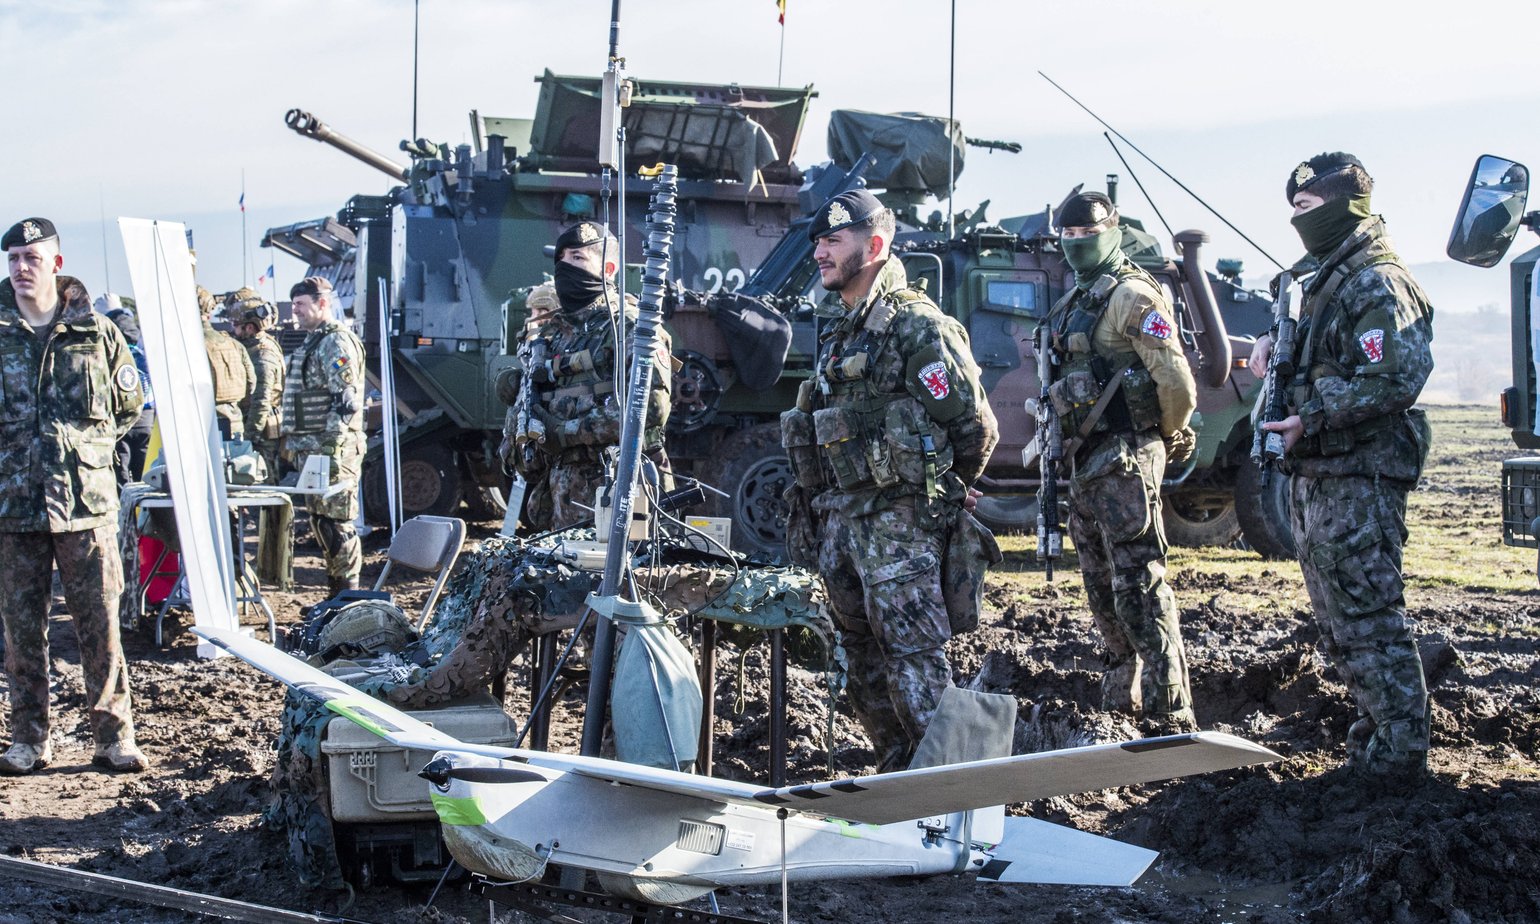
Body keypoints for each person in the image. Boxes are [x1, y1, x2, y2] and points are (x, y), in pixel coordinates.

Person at [780, 190, 999, 772]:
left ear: (874, 246)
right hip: (842, 528)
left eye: (834, 240)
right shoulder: (841, 331)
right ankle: (900, 773)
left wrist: (938, 500)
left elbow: (976, 427)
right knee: (859, 664)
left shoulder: (917, 328)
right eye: (819, 242)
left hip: (901, 533)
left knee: (916, 664)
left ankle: (952, 791)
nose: (820, 253)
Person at [1249, 152, 1434, 776]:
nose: (1298, 222)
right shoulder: (1323, 279)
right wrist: (1276, 348)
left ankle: (1401, 758)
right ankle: (1372, 744)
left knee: (1369, 617)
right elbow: (1328, 356)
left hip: (1361, 476)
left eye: (1307, 209)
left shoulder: (1377, 281)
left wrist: (1314, 416)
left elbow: (1397, 376)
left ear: (1345, 206)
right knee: (1339, 624)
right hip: (1321, 476)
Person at [1045, 191, 1199, 736]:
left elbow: (1176, 382)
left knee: (1140, 585)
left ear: (1112, 232)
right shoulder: (1078, 299)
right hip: (1087, 462)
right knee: (1100, 586)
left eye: (1088, 237)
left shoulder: (1131, 296)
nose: (1078, 246)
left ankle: (1170, 711)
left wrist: (1165, 432)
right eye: (1069, 239)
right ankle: (1120, 699)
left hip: (1128, 457)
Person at [0, 217, 148, 774]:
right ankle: (29, 740)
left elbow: (130, 404)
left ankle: (114, 739)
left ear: (56, 264)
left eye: (30, 257)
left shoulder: (98, 333)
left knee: (101, 627)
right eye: (12, 257)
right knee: (21, 634)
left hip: (86, 506)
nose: (19, 268)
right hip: (13, 507)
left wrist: (84, 451)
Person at [499, 221, 673, 531]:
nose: (565, 267)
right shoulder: (554, 336)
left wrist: (566, 432)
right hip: (560, 506)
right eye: (562, 259)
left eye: (578, 258)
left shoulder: (632, 328)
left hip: (620, 500)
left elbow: (648, 409)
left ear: (607, 268)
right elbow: (530, 443)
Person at [280, 276, 365, 597]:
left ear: (323, 303)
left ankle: (347, 600)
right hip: (314, 451)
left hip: (334, 452)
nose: (295, 312)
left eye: (301, 305)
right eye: (294, 305)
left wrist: (331, 448)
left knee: (338, 525)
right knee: (321, 522)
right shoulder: (314, 340)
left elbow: (346, 400)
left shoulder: (336, 342)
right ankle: (335, 598)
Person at [229, 287, 285, 482]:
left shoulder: (262, 356)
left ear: (250, 327)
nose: (233, 329)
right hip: (258, 430)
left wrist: (248, 439)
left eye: (236, 324)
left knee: (264, 486)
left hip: (261, 436)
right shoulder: (254, 348)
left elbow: (261, 401)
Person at [104, 305, 156, 486]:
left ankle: (127, 510)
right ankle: (146, 511)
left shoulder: (110, 355)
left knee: (122, 472)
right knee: (145, 470)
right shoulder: (146, 353)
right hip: (147, 417)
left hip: (121, 418)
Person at [198, 284, 255, 442]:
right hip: (235, 426)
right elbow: (251, 386)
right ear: (209, 313)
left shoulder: (187, 347)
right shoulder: (234, 345)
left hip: (201, 428)